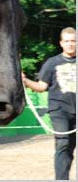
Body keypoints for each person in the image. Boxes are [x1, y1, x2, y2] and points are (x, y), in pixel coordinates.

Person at [22, 27, 76, 180]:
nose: (70, 44)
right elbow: (41, 87)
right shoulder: (52, 63)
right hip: (59, 111)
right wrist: (25, 81)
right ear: (61, 43)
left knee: (70, 147)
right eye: (67, 41)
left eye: (73, 41)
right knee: (63, 143)